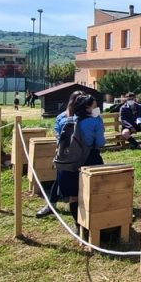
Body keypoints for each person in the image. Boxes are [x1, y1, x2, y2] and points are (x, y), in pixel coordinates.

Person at [51, 94, 106, 232]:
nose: (97, 108)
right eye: (94, 106)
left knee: (73, 197)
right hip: (90, 160)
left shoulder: (66, 121)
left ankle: (78, 225)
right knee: (92, 193)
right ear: (87, 108)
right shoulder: (95, 121)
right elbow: (100, 142)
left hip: (70, 162)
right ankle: (94, 223)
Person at [37, 90, 85, 218]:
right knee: (59, 180)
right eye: (77, 99)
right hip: (64, 155)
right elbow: (57, 133)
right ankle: (51, 205)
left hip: (81, 155)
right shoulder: (61, 117)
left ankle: (78, 208)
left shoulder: (85, 116)